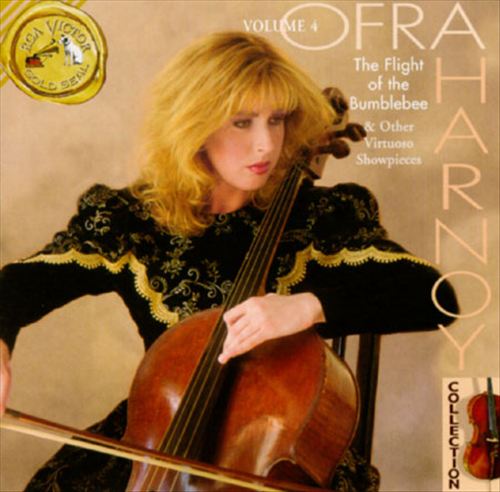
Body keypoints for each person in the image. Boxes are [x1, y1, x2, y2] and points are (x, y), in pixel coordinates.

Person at [0, 31, 458, 491]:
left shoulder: (321, 217)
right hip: (162, 444)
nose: (266, 145)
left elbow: (434, 297)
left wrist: (307, 306)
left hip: (274, 457)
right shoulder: (131, 220)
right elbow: (18, 285)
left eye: (276, 120)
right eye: (242, 122)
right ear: (193, 126)